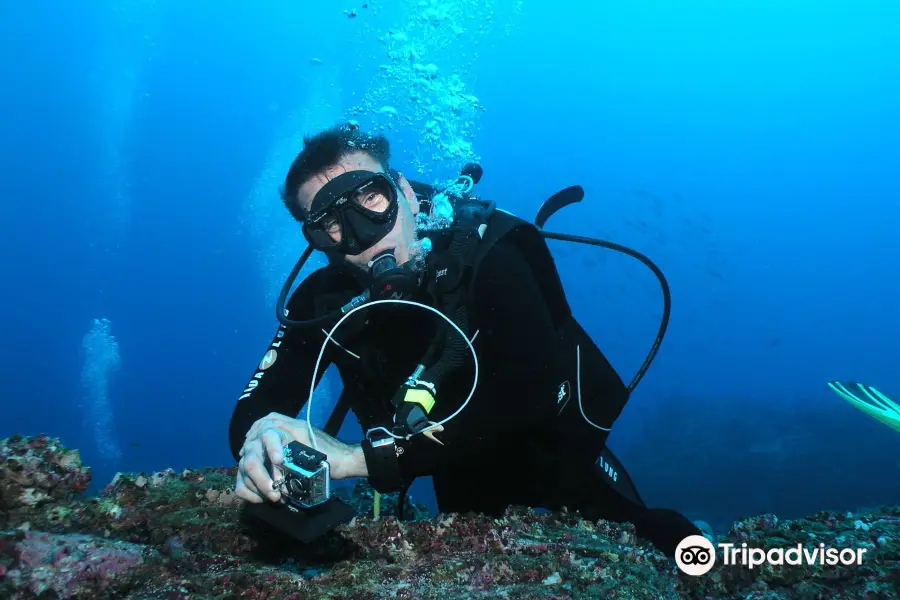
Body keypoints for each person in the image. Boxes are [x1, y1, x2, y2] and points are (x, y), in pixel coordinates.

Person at [228, 123, 703, 557]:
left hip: (553, 448)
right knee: (471, 559)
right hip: (454, 469)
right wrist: (260, 440)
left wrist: (358, 459)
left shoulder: (491, 253)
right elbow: (257, 405)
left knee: (647, 535)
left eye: (371, 199)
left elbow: (531, 394)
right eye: (332, 223)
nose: (362, 235)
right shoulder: (323, 304)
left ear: (407, 194)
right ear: (318, 241)